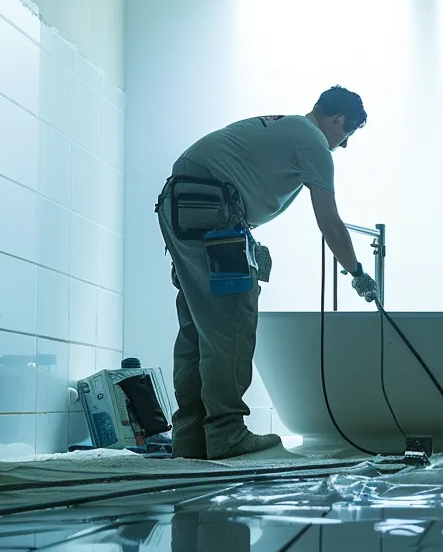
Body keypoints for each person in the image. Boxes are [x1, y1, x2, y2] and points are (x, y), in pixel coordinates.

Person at [156, 86, 378, 460]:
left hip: (180, 203)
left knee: (198, 326)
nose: (343, 144)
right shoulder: (313, 143)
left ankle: (190, 439)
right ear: (339, 120)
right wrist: (356, 271)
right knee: (231, 322)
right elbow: (331, 223)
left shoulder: (284, 126)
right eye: (347, 134)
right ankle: (226, 433)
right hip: (212, 206)